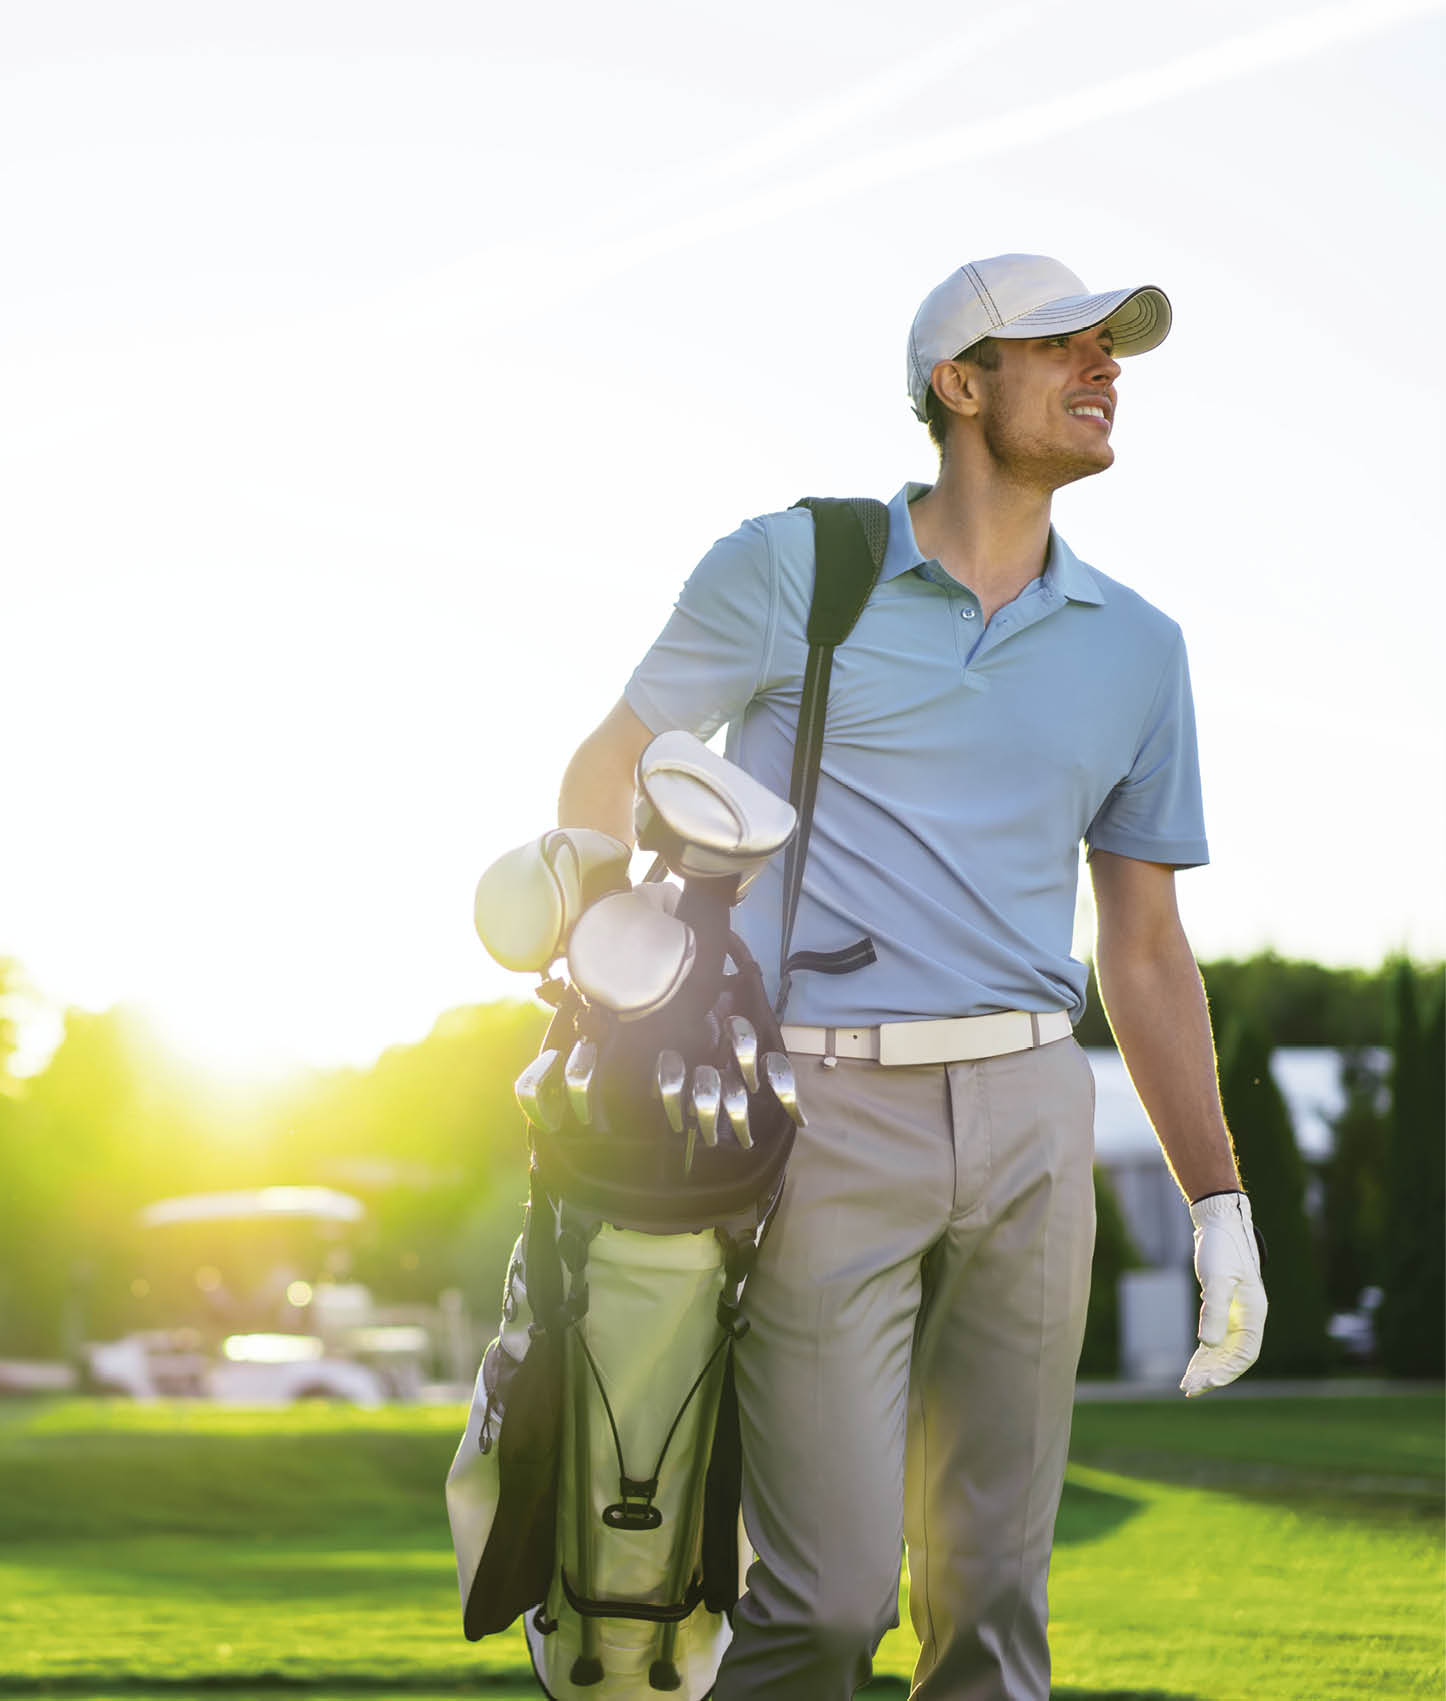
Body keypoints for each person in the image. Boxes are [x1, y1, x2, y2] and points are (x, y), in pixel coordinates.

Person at [556, 253, 1268, 1701]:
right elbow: (606, 765)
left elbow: (1140, 943)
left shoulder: (1138, 648)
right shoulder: (790, 569)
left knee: (993, 1609)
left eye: (1110, 348)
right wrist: (600, 956)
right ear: (957, 384)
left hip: (1030, 1111)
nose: (1102, 367)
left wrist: (1217, 1200)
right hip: (818, 1109)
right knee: (819, 1602)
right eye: (1061, 345)